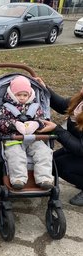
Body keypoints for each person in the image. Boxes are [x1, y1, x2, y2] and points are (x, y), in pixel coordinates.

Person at [0, 75, 54, 190]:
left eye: (25, 95)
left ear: (29, 94)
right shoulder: (6, 107)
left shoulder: (35, 107)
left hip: (33, 138)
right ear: (12, 94)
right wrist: (15, 124)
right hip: (13, 138)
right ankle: (18, 178)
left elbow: (43, 121)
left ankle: (44, 178)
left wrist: (37, 124)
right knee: (15, 154)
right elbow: (1, 123)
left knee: (44, 152)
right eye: (19, 95)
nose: (22, 98)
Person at [35, 77, 83, 206]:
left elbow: (80, 149)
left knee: (61, 167)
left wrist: (57, 130)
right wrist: (45, 89)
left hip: (80, 151)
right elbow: (63, 105)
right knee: (50, 163)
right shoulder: (80, 102)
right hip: (77, 151)